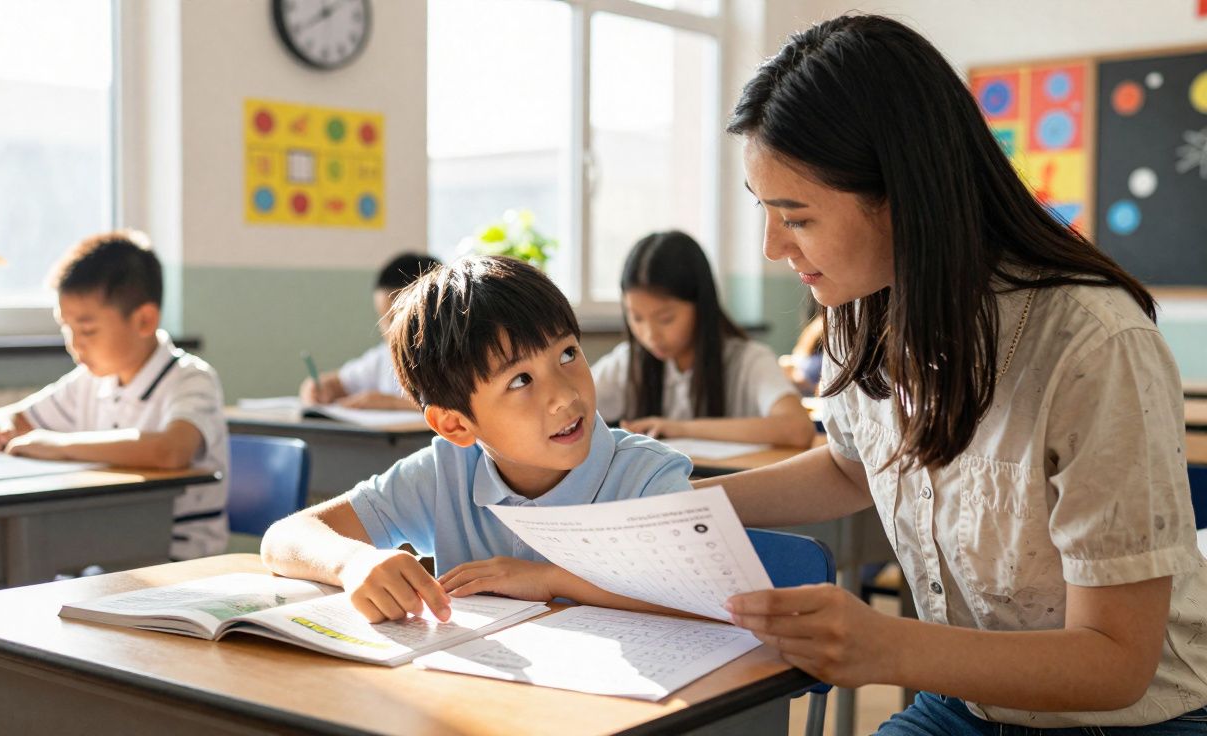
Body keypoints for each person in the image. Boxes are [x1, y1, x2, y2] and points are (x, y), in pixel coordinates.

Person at [708, 14, 1207, 734]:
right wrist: (684, 507)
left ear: (903, 197)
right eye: (764, 209)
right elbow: (852, 466)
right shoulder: (866, 310)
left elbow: (1118, 662)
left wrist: (887, 646)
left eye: (798, 217)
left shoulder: (1093, 344)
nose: (771, 246)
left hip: (1133, 720)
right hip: (967, 705)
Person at [262, 255, 694, 623]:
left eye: (567, 354)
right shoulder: (445, 473)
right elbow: (286, 536)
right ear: (455, 425)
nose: (565, 395)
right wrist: (354, 562)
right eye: (521, 380)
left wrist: (550, 580)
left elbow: (703, 599)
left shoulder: (645, 477)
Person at [0, 230, 229, 736]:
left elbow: (172, 448)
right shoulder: (91, 383)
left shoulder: (188, 378)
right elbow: (20, 418)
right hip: (96, 576)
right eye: (66, 327)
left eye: (87, 328)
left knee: (33, 673)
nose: (74, 343)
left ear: (144, 320)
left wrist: (59, 445)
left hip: (172, 581)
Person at [591, 230, 816, 448]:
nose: (650, 335)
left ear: (700, 306)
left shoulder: (749, 360)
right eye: (636, 318)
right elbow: (576, 400)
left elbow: (798, 429)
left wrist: (679, 429)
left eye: (666, 319)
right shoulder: (627, 363)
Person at [299, 252, 442, 410]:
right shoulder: (384, 358)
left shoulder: (452, 361)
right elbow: (338, 383)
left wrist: (393, 403)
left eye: (398, 320)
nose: (389, 331)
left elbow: (455, 410)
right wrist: (320, 388)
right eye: (384, 319)